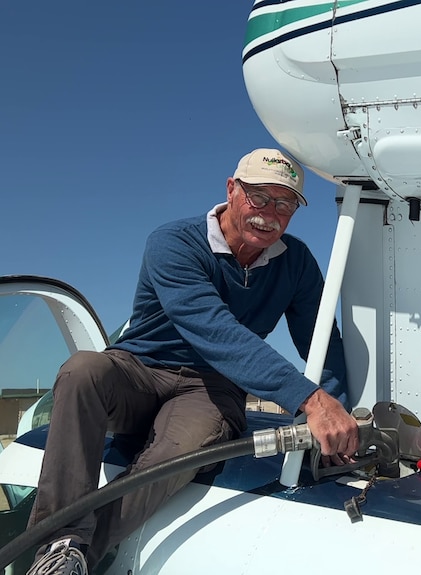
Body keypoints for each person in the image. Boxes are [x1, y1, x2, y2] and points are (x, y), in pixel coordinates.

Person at [25, 148, 358, 575]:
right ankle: (59, 541)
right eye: (258, 197)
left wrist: (337, 417)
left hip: (211, 387)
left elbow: (321, 341)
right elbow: (212, 328)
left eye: (285, 203)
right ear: (231, 190)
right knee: (83, 371)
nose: (270, 214)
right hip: (140, 369)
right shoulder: (174, 242)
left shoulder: (295, 263)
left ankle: (71, 562)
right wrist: (309, 401)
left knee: (179, 454)